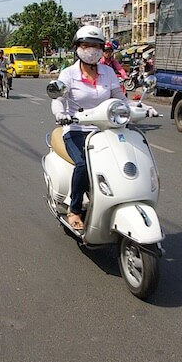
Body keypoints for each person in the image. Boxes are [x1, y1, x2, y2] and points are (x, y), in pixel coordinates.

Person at [50, 25, 127, 231]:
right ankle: (74, 210)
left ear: (102, 49)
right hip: (76, 130)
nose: (91, 50)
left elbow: (120, 98)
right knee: (84, 165)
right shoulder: (68, 74)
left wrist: (140, 108)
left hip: (105, 130)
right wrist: (61, 114)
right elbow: (57, 99)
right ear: (77, 48)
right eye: (86, 45)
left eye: (95, 46)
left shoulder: (108, 72)